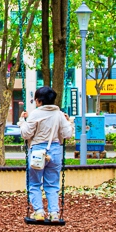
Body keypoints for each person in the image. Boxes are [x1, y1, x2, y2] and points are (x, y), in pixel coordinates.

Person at [18, 86, 75, 222]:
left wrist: (22, 122)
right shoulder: (59, 115)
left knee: (34, 183)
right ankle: (54, 213)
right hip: (55, 151)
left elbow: (26, 134)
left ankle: (38, 212)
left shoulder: (36, 114)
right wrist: (68, 122)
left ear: (38, 101)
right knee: (52, 184)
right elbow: (67, 134)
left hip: (38, 151)